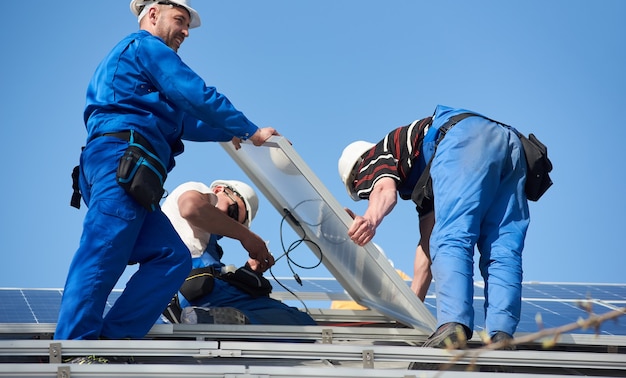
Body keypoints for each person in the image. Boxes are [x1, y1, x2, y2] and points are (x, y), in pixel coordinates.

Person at [55, 0, 279, 341]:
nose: (186, 31)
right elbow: (193, 92)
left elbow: (182, 120)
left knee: (171, 257)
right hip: (122, 162)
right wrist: (249, 128)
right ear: (153, 14)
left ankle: (111, 345)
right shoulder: (146, 46)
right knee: (104, 249)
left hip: (132, 173)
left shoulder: (140, 70)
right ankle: (73, 345)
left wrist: (227, 131)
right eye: (181, 19)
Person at [337, 104, 529, 349]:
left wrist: (370, 219)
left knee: (452, 238)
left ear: (357, 178)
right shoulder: (427, 184)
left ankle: (453, 325)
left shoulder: (372, 158)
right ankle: (501, 335)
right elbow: (427, 246)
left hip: (462, 139)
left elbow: (385, 190)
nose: (367, 192)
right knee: (502, 250)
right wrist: (413, 306)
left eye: (363, 191)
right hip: (510, 144)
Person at [161, 180, 317, 326]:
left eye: (235, 221)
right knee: (300, 322)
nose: (229, 221)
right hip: (197, 290)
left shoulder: (202, 239)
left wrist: (249, 272)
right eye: (233, 211)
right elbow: (191, 208)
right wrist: (246, 236)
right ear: (218, 190)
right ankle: (217, 321)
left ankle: (209, 318)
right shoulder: (195, 188)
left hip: (186, 295)